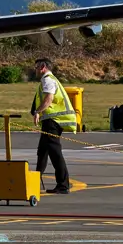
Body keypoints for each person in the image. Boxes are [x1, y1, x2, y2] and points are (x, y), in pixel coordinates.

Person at [30, 58, 77, 194]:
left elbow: (48, 98)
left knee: (55, 152)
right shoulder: (49, 79)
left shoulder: (48, 80)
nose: (36, 70)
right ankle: (35, 180)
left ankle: (63, 185)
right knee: (42, 151)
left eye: (37, 67)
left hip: (54, 120)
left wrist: (38, 111)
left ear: (43, 67)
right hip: (51, 120)